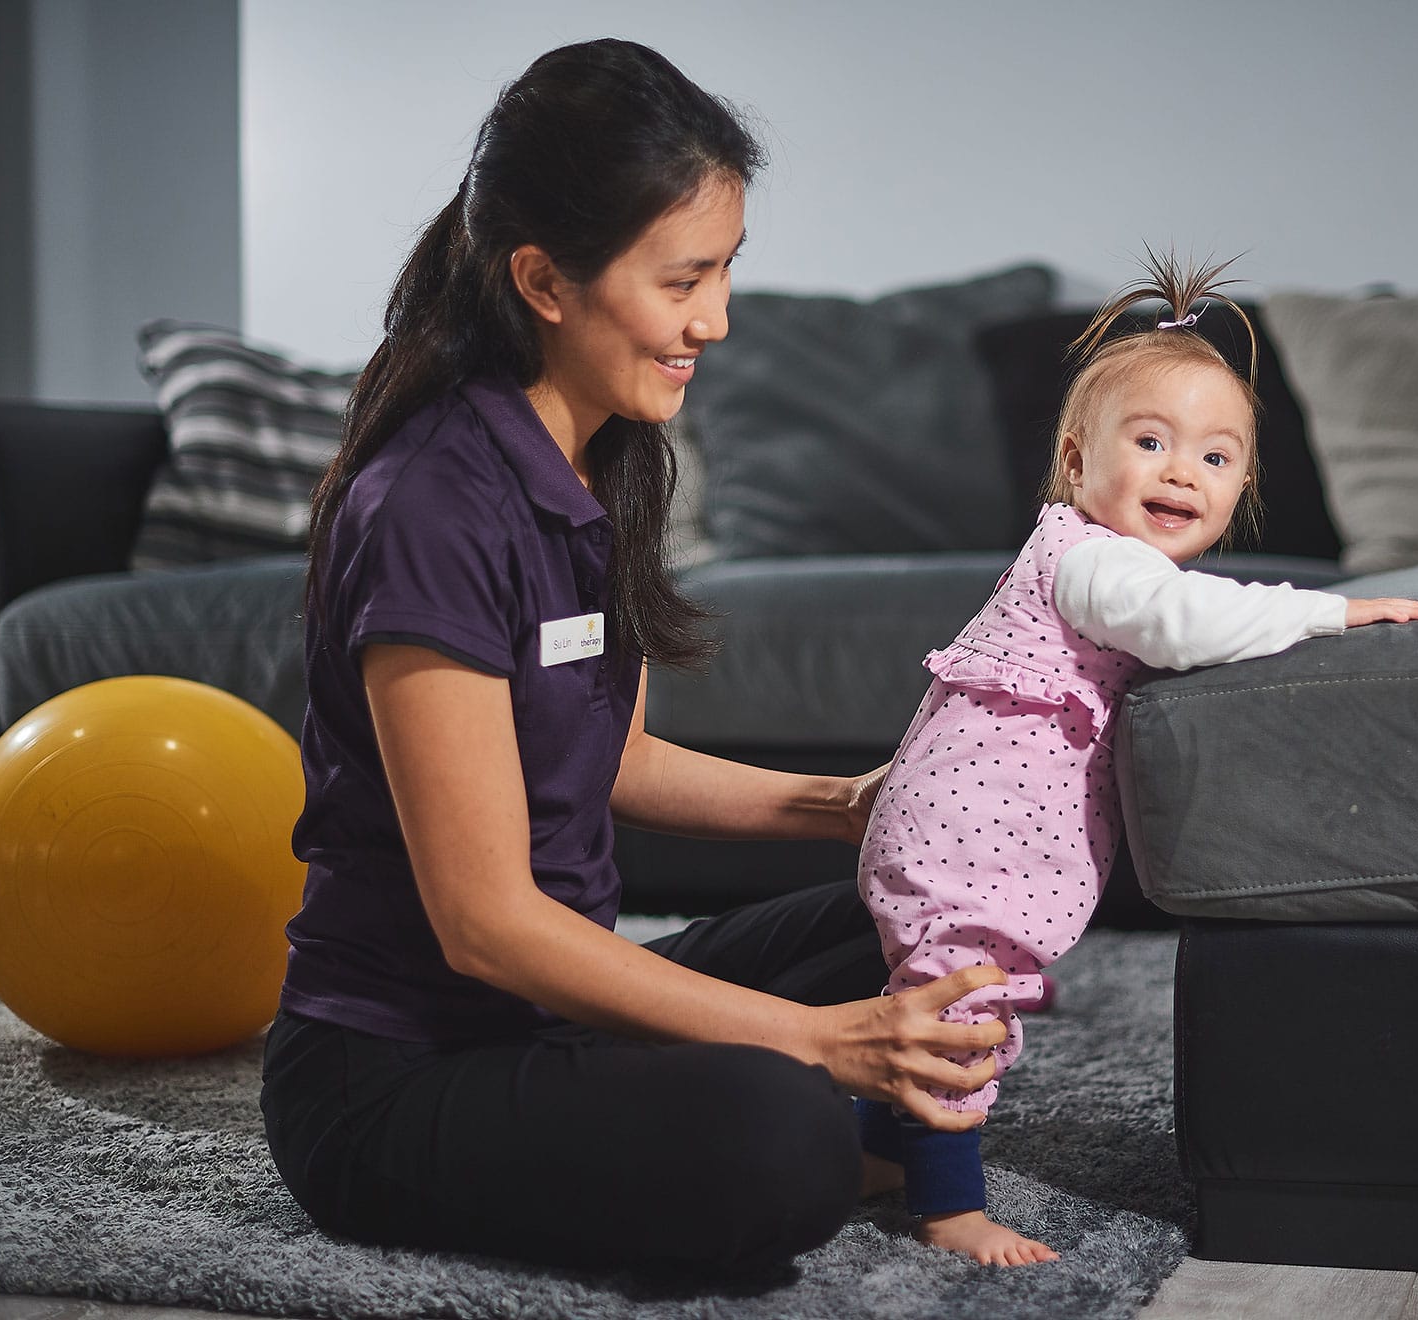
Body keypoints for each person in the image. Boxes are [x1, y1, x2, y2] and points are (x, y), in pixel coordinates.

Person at [257, 38, 1010, 1278]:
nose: (714, 320)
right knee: (785, 1151)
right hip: (396, 1076)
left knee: (938, 927)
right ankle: (840, 1126)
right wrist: (818, 1046)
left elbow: (615, 758)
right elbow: (486, 925)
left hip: (565, 1019)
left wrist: (861, 809)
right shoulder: (431, 509)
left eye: (725, 271)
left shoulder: (597, 458)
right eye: (684, 279)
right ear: (545, 281)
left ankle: (836, 1105)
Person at [854, 253, 1418, 1265]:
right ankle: (948, 1210)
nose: (1180, 471)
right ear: (1077, 463)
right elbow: (1179, 621)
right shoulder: (1096, 563)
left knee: (944, 1000)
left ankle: (879, 1151)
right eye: (1151, 441)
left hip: (966, 827)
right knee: (962, 1015)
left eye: (1215, 458)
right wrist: (1335, 612)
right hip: (967, 838)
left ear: (1244, 487)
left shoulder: (1090, 554)